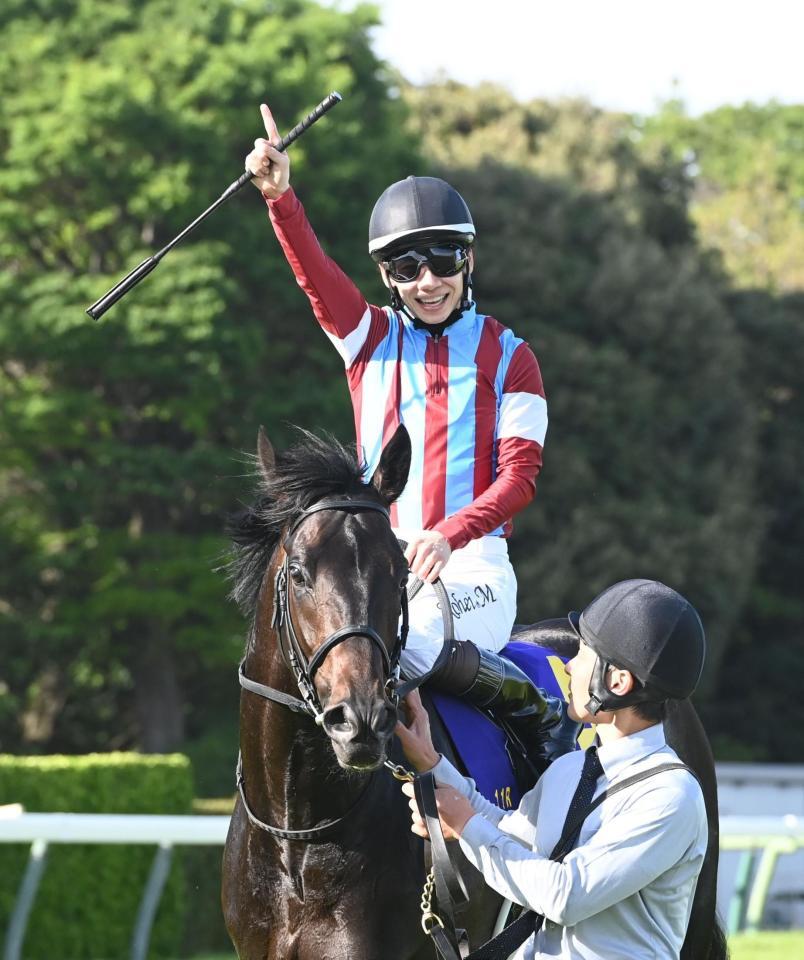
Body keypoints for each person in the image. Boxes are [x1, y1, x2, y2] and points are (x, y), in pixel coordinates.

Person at [245, 104, 579, 767]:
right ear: (386, 277)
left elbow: (520, 478)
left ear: (468, 258)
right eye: (405, 266)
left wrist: (449, 534)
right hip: (375, 560)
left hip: (473, 565)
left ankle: (531, 705)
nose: (427, 281)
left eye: (442, 259)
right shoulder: (367, 338)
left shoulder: (512, 356)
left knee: (409, 648)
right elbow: (315, 277)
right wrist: (281, 198)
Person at [396, 579, 709, 960]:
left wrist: (463, 825)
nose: (571, 665)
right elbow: (508, 835)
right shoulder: (571, 769)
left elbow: (566, 895)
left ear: (617, 681)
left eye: (583, 654)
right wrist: (432, 764)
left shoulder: (670, 797)